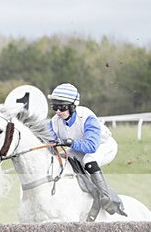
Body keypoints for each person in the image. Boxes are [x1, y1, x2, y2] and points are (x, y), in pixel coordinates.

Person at [47, 83, 125, 215]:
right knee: (64, 160)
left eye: (62, 107)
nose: (58, 111)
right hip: (78, 147)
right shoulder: (54, 122)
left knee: (88, 160)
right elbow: (51, 144)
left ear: (73, 106)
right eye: (55, 107)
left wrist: (68, 142)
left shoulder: (87, 117)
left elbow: (91, 146)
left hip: (103, 146)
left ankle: (106, 198)